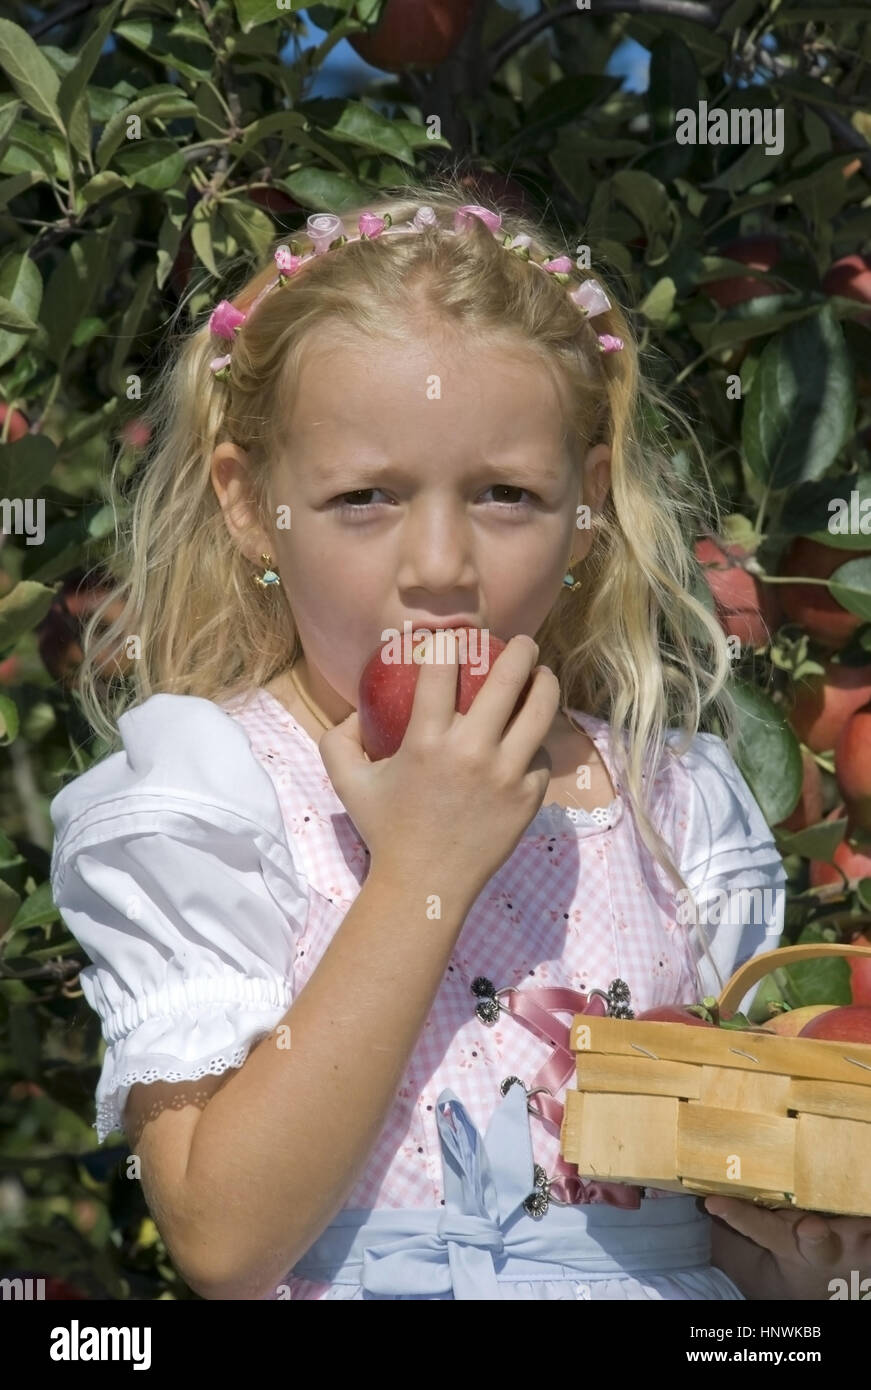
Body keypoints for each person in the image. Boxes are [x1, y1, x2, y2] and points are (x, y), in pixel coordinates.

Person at [49, 181, 842, 1301]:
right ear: (248, 503)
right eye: (365, 496)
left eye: (506, 494)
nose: (438, 562)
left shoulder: (672, 805)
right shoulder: (220, 791)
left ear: (586, 504)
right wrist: (421, 869)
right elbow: (225, 1242)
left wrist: (801, 1261)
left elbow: (714, 1242)